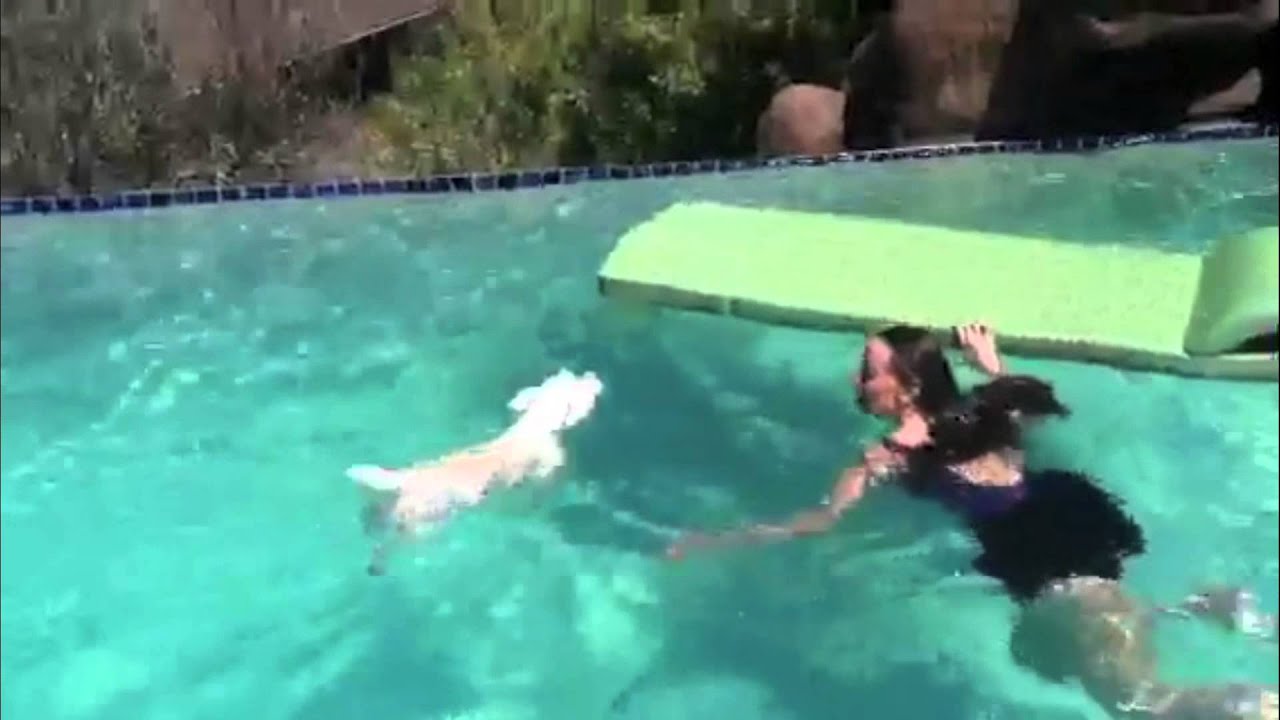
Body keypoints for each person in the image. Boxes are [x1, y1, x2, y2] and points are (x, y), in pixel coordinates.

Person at [667, 324, 1277, 720]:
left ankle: (1257, 707)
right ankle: (1224, 610)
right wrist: (993, 365)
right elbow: (1038, 409)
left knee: (1140, 702)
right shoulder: (982, 408)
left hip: (1027, 544)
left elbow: (822, 521)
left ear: (904, 388)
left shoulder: (888, 455)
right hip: (1075, 508)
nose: (857, 380)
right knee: (1114, 610)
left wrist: (718, 540)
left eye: (868, 369)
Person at [350, 368, 603, 575]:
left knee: (461, 490)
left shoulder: (544, 454)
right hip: (463, 480)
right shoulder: (541, 450)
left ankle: (392, 530)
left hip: (466, 484)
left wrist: (383, 556)